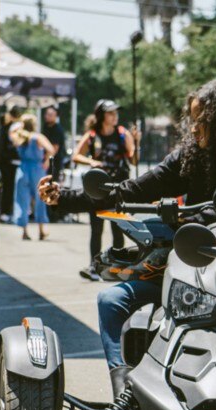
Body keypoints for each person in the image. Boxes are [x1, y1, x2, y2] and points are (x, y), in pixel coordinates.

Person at [40, 80, 216, 395]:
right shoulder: (189, 158)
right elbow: (129, 191)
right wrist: (64, 197)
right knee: (111, 300)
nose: (193, 128)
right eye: (192, 120)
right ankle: (125, 392)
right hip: (189, 275)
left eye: (201, 120)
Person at [73, 99, 138, 279]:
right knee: (96, 229)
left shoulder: (123, 134)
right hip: (98, 190)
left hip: (118, 188)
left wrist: (136, 142)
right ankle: (94, 267)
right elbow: (76, 155)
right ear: (102, 116)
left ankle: (117, 268)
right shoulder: (92, 135)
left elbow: (133, 160)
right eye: (111, 113)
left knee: (118, 228)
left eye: (116, 112)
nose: (115, 116)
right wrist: (91, 161)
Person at [10, 114, 55, 241]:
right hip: (37, 169)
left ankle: (24, 231)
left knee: (22, 200)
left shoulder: (18, 136)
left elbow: (11, 132)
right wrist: (46, 162)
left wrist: (18, 126)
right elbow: (51, 149)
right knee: (40, 199)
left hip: (23, 169)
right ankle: (41, 230)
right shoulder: (38, 137)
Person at [0, 106, 23, 220]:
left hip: (5, 161)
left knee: (7, 187)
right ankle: (7, 212)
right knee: (9, 188)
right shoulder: (13, 127)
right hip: (9, 161)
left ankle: (5, 212)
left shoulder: (5, 127)